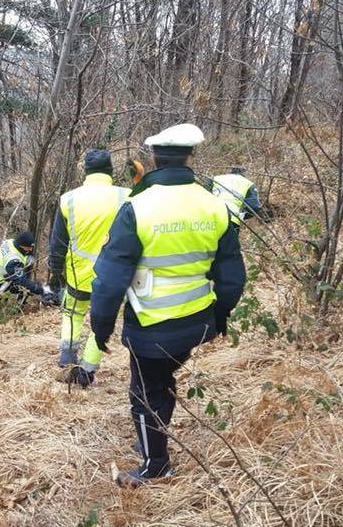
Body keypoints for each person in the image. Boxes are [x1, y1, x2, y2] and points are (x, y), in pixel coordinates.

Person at [89, 123, 246, 486]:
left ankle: (155, 465)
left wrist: (100, 329)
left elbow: (109, 282)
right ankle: (153, 438)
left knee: (145, 394)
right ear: (191, 157)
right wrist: (219, 317)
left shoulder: (137, 208)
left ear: (153, 159)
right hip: (196, 322)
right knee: (162, 382)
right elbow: (233, 278)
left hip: (150, 326)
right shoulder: (215, 206)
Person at [49, 149, 129, 387]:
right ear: (110, 170)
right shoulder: (126, 196)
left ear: (86, 171)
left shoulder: (69, 199)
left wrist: (55, 272)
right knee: (101, 322)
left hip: (78, 274)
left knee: (73, 315)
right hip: (112, 276)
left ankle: (67, 359)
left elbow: (58, 243)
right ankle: (86, 371)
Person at [0, 230, 58, 318]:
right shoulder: (13, 260)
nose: (31, 249)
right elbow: (21, 281)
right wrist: (41, 290)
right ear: (21, 246)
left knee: (25, 289)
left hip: (3, 275)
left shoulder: (10, 242)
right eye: (28, 247)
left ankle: (20, 306)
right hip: (0, 281)